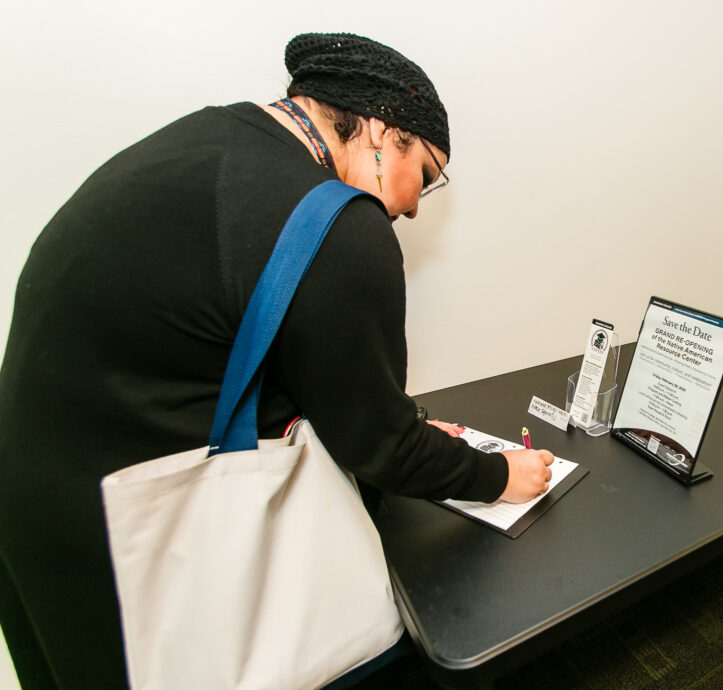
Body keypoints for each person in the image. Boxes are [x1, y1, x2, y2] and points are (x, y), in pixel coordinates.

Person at [0, 32, 554, 689]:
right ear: (381, 132)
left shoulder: (208, 141)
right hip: (122, 536)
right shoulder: (339, 226)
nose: (409, 204)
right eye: (425, 176)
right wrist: (500, 476)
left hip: (33, 497)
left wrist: (398, 423)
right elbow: (382, 451)